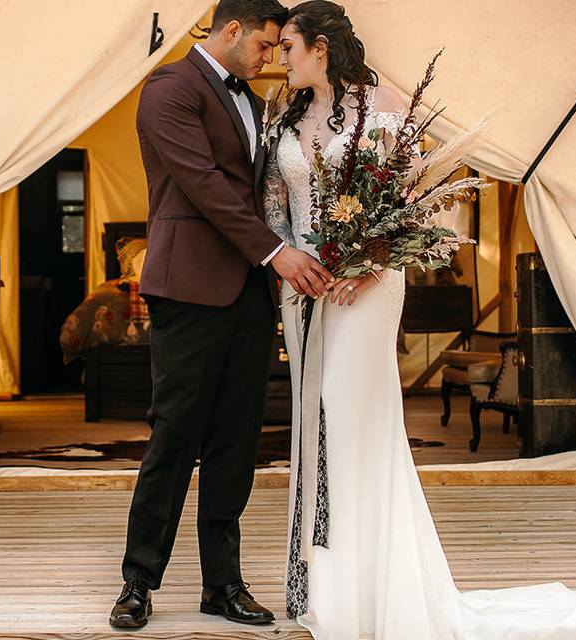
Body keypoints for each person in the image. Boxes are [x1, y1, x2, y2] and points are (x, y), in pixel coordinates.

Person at [263, 2, 576, 638]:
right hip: (306, 290)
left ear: (319, 47)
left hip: (368, 290)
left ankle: (379, 590)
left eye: (288, 47)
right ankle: (328, 586)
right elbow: (272, 207)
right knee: (312, 425)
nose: (280, 59)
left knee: (358, 422)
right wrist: (293, 264)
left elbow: (415, 209)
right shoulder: (281, 116)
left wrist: (369, 264)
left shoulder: (386, 109)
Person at [109, 0, 334, 629]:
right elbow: (204, 184)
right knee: (175, 435)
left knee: (236, 443)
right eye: (265, 45)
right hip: (189, 288)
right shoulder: (168, 89)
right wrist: (277, 253)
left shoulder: (257, 103)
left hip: (250, 295)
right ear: (231, 30)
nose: (269, 58)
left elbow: (262, 190)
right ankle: (138, 582)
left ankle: (223, 585)